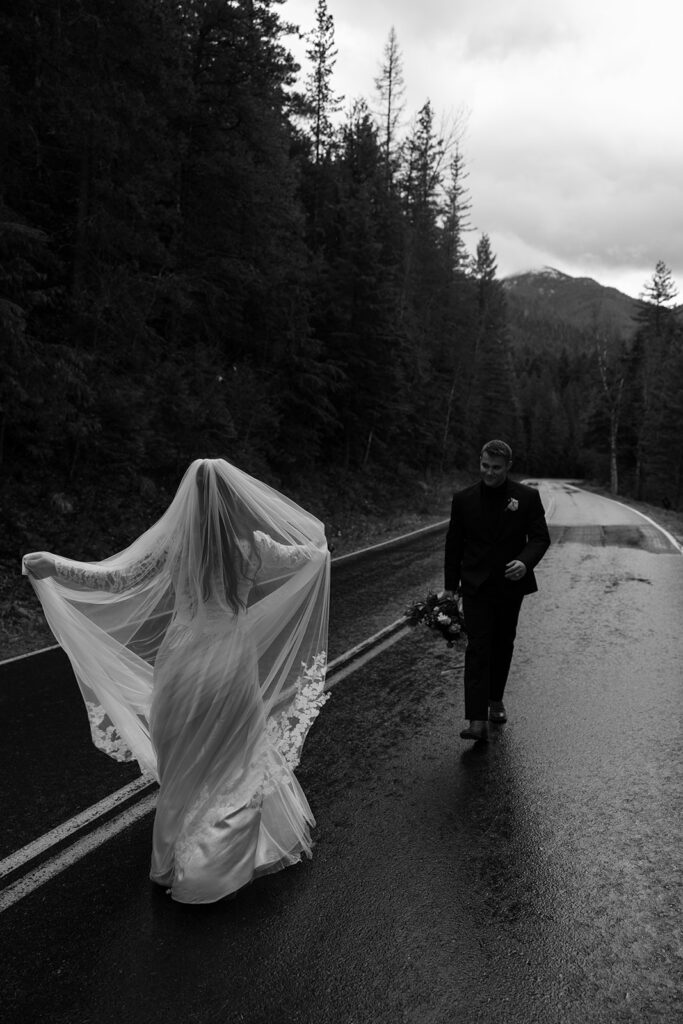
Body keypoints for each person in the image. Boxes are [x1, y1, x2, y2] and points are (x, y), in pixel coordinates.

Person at [23, 458, 330, 903]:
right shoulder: (255, 545)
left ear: (191, 499)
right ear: (235, 499)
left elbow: (116, 579)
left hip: (180, 662)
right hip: (230, 662)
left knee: (183, 762)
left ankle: (171, 858)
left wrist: (54, 564)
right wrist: (319, 544)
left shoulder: (176, 545)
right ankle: (214, 860)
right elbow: (308, 558)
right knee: (231, 759)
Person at [444, 440, 550, 742]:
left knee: (502, 644)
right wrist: (450, 588)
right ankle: (476, 720)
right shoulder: (463, 499)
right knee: (477, 647)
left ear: (508, 467)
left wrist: (525, 562)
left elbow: (540, 538)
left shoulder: (526, 497)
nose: (489, 472)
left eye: (496, 468)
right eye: (485, 466)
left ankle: (495, 700)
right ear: (480, 461)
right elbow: (454, 545)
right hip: (475, 585)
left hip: (509, 585)